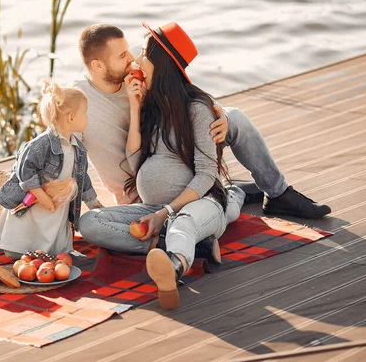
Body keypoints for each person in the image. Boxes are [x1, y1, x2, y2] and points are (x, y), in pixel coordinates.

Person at [74, 24, 331, 219]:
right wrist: (89, 205)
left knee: (235, 117)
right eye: (122, 56)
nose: (132, 60)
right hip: (140, 194)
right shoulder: (77, 102)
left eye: (131, 52)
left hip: (174, 166)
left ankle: (278, 194)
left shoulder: (136, 80)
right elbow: (61, 158)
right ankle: (230, 192)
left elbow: (176, 91)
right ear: (97, 65)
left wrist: (214, 109)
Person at [79, 22, 246, 309]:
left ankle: (173, 266)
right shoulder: (151, 106)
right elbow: (135, 162)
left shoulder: (196, 109)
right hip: (153, 208)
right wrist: (135, 107)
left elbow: (207, 175)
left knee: (184, 222)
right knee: (89, 223)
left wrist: (166, 212)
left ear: (160, 64)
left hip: (198, 202)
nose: (136, 60)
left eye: (143, 54)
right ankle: (187, 244)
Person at [0, 83, 103, 259]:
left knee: (54, 235)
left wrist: (92, 201)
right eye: (85, 112)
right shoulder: (41, 144)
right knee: (30, 229)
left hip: (57, 204)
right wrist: (41, 196)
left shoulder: (77, 148)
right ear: (71, 117)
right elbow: (25, 169)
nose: (88, 116)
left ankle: (53, 252)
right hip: (35, 202)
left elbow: (82, 177)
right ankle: (21, 249)